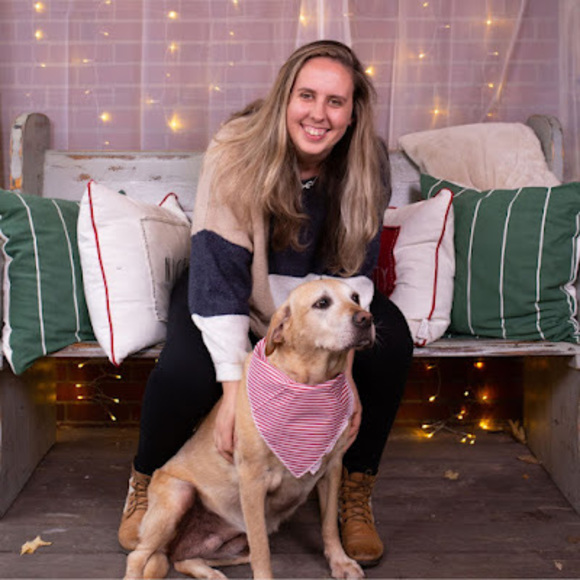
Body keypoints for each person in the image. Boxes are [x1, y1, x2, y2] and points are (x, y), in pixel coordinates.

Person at [118, 39, 413, 567]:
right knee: (187, 371)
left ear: (352, 114)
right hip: (226, 287)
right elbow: (217, 268)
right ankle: (147, 479)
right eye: (307, 96)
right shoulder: (237, 148)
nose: (318, 114)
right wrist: (234, 395)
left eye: (336, 102)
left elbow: (353, 278)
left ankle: (354, 485)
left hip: (316, 310)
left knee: (391, 348)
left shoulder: (367, 161)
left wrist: (343, 377)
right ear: (284, 98)